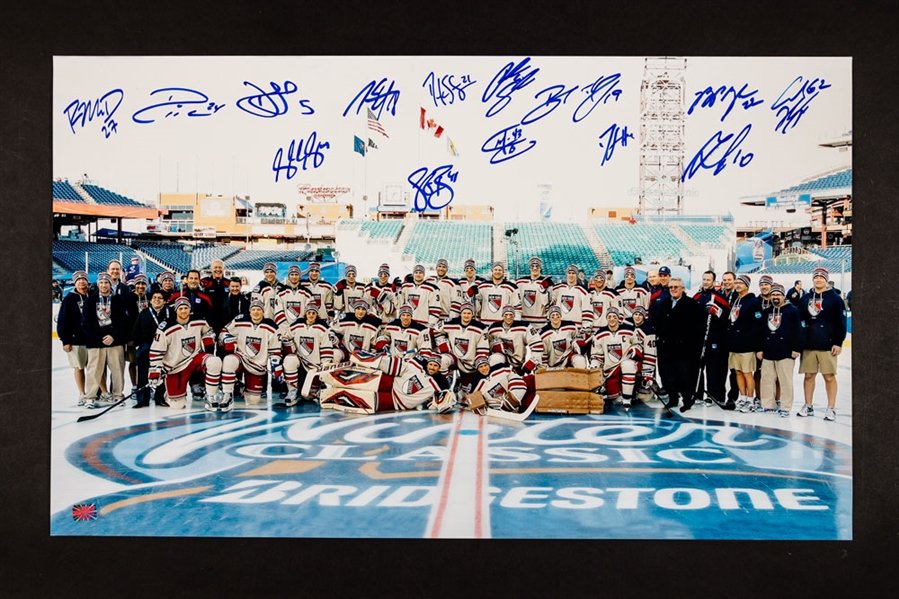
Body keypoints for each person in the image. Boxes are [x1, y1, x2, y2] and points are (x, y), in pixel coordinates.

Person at [318, 351, 454, 415]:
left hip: (396, 402)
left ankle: (327, 397)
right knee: (359, 378)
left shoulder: (440, 383)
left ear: (439, 367)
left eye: (435, 366)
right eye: (430, 364)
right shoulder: (417, 364)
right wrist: (368, 359)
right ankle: (327, 375)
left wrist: (444, 403)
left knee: (362, 400)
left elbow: (440, 401)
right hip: (390, 383)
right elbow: (396, 366)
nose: (432, 367)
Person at [148, 296, 222, 411]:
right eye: (180, 308)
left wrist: (208, 342)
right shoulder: (165, 326)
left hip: (194, 358)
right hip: (176, 367)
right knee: (177, 405)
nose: (183, 311)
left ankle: (210, 396)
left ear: (190, 309)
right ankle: (170, 394)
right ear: (176, 310)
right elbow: (156, 350)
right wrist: (155, 371)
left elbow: (209, 331)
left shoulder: (199, 320)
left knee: (214, 361)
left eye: (186, 308)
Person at [797, 267, 847, 421]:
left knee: (829, 377)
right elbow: (800, 321)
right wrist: (800, 341)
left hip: (828, 344)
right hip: (809, 344)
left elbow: (841, 321)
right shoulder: (805, 299)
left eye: (821, 277)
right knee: (809, 375)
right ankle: (808, 405)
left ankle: (830, 408)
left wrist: (838, 342)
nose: (818, 280)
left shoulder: (835, 298)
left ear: (826, 279)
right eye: (816, 277)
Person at [653, 277, 705, 412]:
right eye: (671, 287)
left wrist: (694, 346)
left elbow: (698, 328)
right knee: (669, 375)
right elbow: (659, 323)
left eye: (676, 287)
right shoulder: (664, 304)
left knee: (685, 376)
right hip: (667, 347)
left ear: (682, 288)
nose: (673, 289)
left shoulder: (691, 304)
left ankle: (687, 400)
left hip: (685, 348)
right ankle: (673, 398)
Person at [219, 299, 282, 409]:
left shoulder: (271, 326)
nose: (256, 312)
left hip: (257, 365)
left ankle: (240, 387)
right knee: (229, 360)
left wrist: (275, 365)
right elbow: (224, 331)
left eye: (259, 309)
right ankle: (227, 395)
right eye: (253, 309)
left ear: (263, 311)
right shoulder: (241, 320)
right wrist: (227, 339)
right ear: (250, 311)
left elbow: (275, 349)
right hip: (241, 358)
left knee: (253, 400)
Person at [757, 284, 805, 418]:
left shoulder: (793, 310)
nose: (775, 297)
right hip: (768, 351)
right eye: (773, 294)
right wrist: (760, 349)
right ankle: (768, 405)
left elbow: (799, 331)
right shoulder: (767, 311)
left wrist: (796, 348)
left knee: (785, 380)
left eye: (778, 294)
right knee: (766, 379)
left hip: (786, 352)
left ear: (784, 296)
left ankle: (785, 407)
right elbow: (761, 331)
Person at [81, 273, 128, 409]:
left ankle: (118, 395)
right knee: (94, 370)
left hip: (115, 341)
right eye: (101, 283)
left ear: (110, 284)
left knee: (118, 370)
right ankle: (90, 397)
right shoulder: (90, 301)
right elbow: (86, 322)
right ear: (98, 284)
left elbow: (122, 321)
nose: (103, 285)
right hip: (96, 342)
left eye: (106, 283)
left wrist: (113, 336)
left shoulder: (118, 300)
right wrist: (98, 337)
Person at [692, 270, 733, 409]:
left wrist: (718, 312)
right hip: (699, 338)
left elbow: (728, 318)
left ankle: (714, 395)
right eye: (704, 279)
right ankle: (697, 394)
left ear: (714, 281)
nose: (705, 282)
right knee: (697, 367)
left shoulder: (719, 298)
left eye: (708, 280)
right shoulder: (697, 297)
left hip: (715, 338)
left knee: (714, 368)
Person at [281, 300, 334, 406]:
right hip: (300, 361)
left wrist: (323, 368)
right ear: (305, 313)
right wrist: (290, 344)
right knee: (289, 360)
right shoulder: (297, 325)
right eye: (309, 312)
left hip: (314, 366)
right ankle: (292, 392)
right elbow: (284, 337)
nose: (311, 315)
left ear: (317, 314)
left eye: (313, 313)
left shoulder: (322, 328)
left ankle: (318, 389)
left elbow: (326, 348)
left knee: (308, 396)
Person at [725, 275, 765, 413]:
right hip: (734, 343)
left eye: (740, 283)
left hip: (746, 345)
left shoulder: (753, 302)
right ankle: (742, 397)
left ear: (747, 285)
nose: (737, 285)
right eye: (736, 282)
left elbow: (757, 325)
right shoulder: (736, 300)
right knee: (738, 372)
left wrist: (753, 343)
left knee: (747, 372)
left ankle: (749, 398)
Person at [589, 307, 640, 409]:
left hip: (626, 364)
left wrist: (633, 350)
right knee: (614, 398)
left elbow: (638, 345)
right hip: (610, 371)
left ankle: (627, 399)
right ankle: (611, 391)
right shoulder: (599, 334)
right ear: (606, 318)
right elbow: (596, 355)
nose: (612, 319)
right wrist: (595, 367)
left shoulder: (629, 330)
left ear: (618, 318)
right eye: (610, 317)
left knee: (628, 365)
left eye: (614, 317)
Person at [434, 301, 490, 393]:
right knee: (442, 360)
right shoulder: (451, 323)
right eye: (464, 313)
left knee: (466, 393)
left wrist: (477, 364)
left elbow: (483, 351)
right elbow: (435, 330)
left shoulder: (481, 328)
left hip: (470, 363)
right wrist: (442, 342)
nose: (466, 315)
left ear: (473, 314)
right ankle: (444, 386)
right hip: (454, 357)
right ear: (460, 313)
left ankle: (458, 383)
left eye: (469, 313)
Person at [131, 289, 172, 407]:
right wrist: (140, 344)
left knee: (162, 372)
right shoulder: (144, 313)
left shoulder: (170, 313)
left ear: (165, 301)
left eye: (160, 298)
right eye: (154, 298)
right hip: (147, 345)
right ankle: (142, 399)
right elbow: (136, 330)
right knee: (143, 372)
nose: (157, 300)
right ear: (150, 300)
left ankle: (160, 398)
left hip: (165, 347)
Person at [57, 271, 90, 404]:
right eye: (78, 280)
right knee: (79, 367)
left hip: (92, 339)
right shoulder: (69, 299)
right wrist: (65, 340)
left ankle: (96, 392)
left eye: (84, 279)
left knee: (95, 369)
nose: (81, 282)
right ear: (75, 282)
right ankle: (82, 393)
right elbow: (62, 320)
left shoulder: (92, 296)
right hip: (76, 340)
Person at [468, 355, 538, 415]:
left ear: (488, 365)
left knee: (531, 381)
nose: (484, 368)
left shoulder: (501, 369)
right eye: (481, 366)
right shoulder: (475, 384)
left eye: (485, 365)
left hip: (517, 398)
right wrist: (488, 407)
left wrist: (513, 395)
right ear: (477, 369)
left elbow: (514, 377)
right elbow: (475, 402)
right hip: (500, 408)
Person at [529, 305, 588, 370]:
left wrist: (578, 343)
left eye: (557, 315)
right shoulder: (543, 333)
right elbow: (543, 354)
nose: (555, 317)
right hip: (553, 365)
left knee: (580, 360)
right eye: (553, 315)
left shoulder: (570, 326)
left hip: (568, 358)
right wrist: (544, 369)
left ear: (561, 316)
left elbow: (576, 338)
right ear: (549, 317)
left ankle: (580, 379)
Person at [485, 305, 539, 373]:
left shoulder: (525, 327)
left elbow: (537, 344)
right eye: (506, 315)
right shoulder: (493, 328)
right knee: (495, 358)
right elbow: (485, 345)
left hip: (517, 364)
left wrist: (531, 363)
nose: (508, 317)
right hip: (500, 361)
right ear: (502, 315)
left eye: (511, 315)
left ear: (514, 315)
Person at [515, 256, 553, 326]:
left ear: (540, 268)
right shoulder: (520, 282)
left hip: (540, 323)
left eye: (537, 266)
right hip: (523, 323)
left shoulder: (547, 282)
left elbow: (548, 304)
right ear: (529, 267)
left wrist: (544, 293)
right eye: (532, 266)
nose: (535, 268)